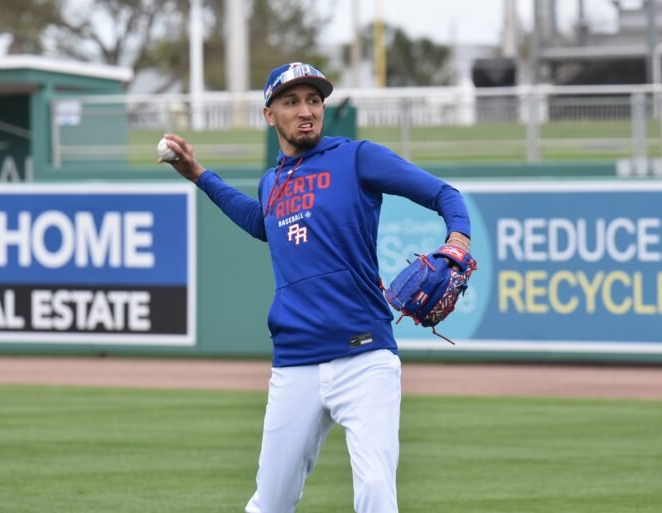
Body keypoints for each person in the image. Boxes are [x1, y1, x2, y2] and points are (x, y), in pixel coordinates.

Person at [161, 62, 471, 513]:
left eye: (314, 100)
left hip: (365, 357)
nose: (306, 111)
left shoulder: (357, 157)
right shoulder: (273, 182)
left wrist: (458, 237)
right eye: (291, 102)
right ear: (270, 115)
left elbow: (444, 194)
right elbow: (258, 221)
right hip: (296, 363)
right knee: (271, 502)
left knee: (376, 492)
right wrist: (199, 175)